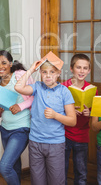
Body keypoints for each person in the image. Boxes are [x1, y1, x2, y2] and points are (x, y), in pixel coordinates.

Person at [15, 56, 76, 185]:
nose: (48, 76)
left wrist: (56, 115)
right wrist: (32, 68)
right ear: (40, 73)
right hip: (35, 142)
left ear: (59, 73)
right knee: (37, 180)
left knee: (56, 181)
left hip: (55, 143)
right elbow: (18, 87)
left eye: (52, 72)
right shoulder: (37, 87)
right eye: (44, 72)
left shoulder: (64, 92)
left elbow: (72, 121)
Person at [0, 50, 34, 185]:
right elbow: (1, 112)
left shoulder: (20, 75)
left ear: (10, 63)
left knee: (4, 167)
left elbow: (35, 95)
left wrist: (20, 106)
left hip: (21, 129)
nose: (0, 66)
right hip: (5, 129)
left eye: (4, 63)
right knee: (14, 165)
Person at [61, 54, 96, 185]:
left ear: (89, 70)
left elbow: (96, 112)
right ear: (71, 68)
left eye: (85, 68)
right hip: (63, 134)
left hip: (82, 135)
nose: (82, 71)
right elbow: (55, 110)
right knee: (61, 170)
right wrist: (68, 110)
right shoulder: (63, 87)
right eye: (78, 67)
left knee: (81, 171)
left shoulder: (92, 90)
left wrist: (90, 113)